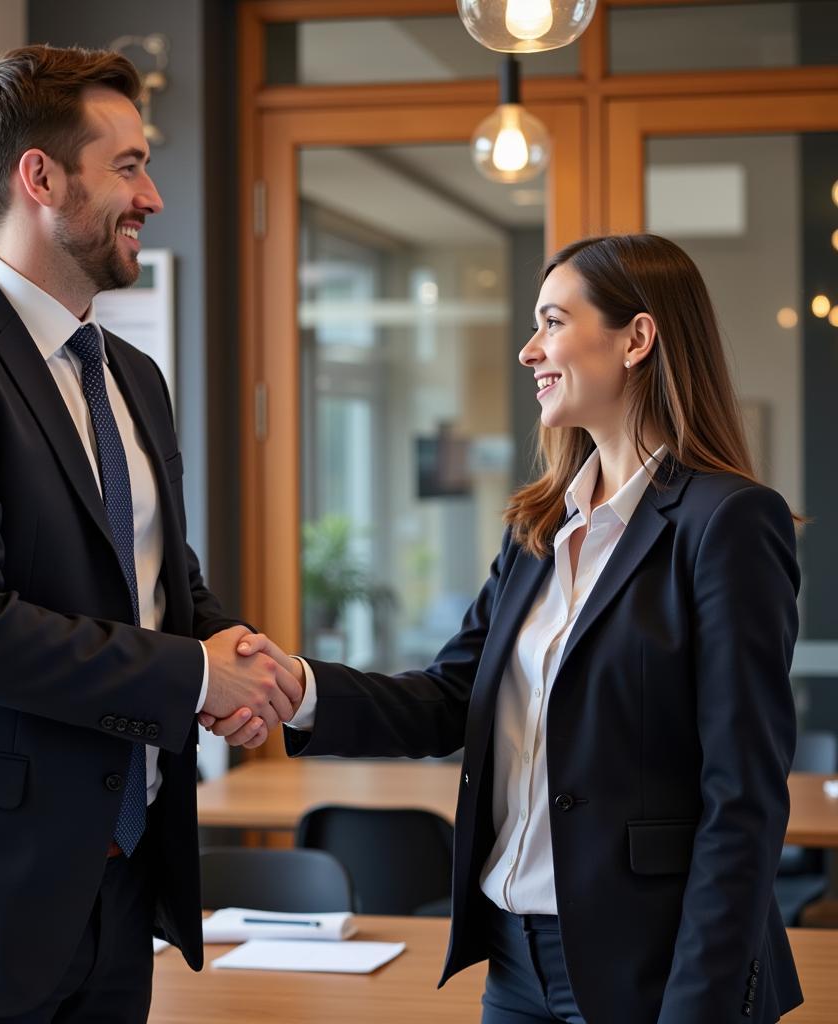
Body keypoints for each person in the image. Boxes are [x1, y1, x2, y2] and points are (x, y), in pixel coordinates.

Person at [0, 44, 301, 1023]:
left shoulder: (134, 376)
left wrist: (241, 659)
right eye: (126, 165)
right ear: (39, 176)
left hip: (114, 896)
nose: (152, 196)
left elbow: (161, 591)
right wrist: (197, 677)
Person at [207, 234, 804, 1023]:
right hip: (515, 962)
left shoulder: (725, 522)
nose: (529, 351)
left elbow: (743, 799)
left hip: (652, 963)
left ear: (637, 338)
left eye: (553, 322)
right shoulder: (541, 525)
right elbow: (450, 697)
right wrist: (299, 687)